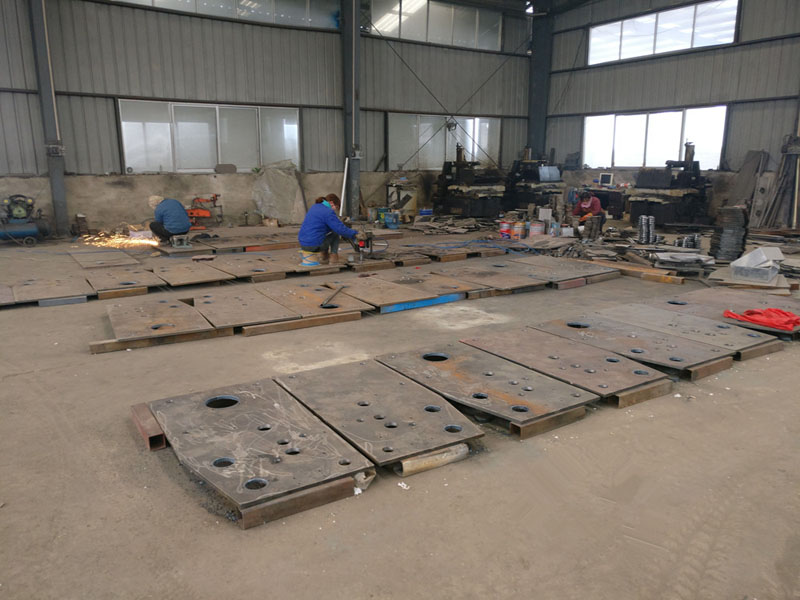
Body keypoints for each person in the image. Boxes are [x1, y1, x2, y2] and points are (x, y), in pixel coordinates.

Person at [297, 193, 360, 264]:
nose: (334, 211)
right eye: (336, 208)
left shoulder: (314, 207)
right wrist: (355, 233)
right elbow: (340, 229)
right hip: (314, 245)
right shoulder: (328, 212)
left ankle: (324, 256)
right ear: (331, 203)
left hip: (303, 243)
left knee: (325, 232)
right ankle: (334, 257)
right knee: (335, 232)